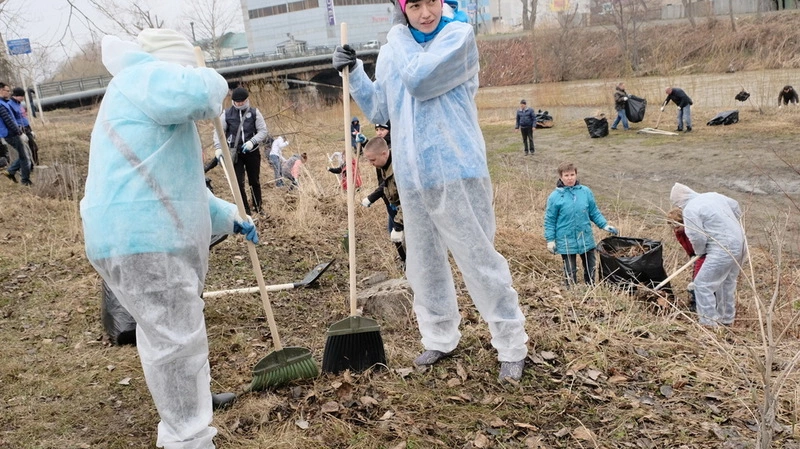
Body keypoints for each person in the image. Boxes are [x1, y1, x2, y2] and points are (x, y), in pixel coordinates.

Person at [332, 0, 529, 383]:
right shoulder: (393, 52)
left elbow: (420, 81)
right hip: (412, 174)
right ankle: (440, 335)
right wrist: (354, 72)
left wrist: (396, 34)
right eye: (415, 5)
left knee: (479, 259)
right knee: (422, 263)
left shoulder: (458, 37)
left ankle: (510, 343)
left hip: (458, 170)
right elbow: (379, 109)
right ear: (403, 7)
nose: (426, 13)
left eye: (432, 2)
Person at [79, 28, 258, 449]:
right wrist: (211, 78)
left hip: (135, 233)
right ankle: (189, 437)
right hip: (144, 237)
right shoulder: (144, 76)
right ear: (174, 66)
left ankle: (190, 406)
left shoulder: (144, 97)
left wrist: (229, 217)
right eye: (186, 70)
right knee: (175, 336)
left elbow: (183, 189)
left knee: (167, 332)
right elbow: (201, 93)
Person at [669, 183, 745, 328]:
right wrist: (731, 225)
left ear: (679, 201)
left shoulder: (690, 209)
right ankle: (726, 321)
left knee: (702, 285)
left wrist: (700, 251)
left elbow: (696, 237)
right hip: (740, 243)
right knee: (726, 284)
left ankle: (709, 325)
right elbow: (735, 206)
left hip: (722, 248)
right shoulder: (713, 196)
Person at [544, 162, 618, 287]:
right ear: (561, 177)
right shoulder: (555, 197)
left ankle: (591, 289)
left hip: (585, 237)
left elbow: (594, 212)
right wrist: (550, 240)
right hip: (566, 239)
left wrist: (604, 225)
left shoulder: (585, 192)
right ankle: (571, 293)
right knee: (570, 270)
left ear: (576, 175)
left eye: (572, 175)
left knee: (591, 267)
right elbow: (550, 220)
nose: (570, 178)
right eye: (566, 175)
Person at [212, 86, 269, 215]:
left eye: (242, 101)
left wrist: (252, 142)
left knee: (254, 180)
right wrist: (218, 147)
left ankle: (258, 207)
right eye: (237, 102)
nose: (239, 104)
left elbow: (263, 131)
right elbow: (218, 132)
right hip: (235, 153)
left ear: (246, 99)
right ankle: (245, 211)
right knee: (238, 182)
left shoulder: (254, 113)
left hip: (252, 152)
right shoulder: (227, 114)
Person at [361, 136, 406, 263]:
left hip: (410, 215)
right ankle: (406, 263)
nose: (371, 164)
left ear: (384, 153)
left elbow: (409, 200)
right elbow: (386, 184)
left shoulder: (400, 168)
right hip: (396, 209)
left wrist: (398, 225)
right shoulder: (384, 164)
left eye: (373, 160)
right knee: (399, 241)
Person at [667, 207, 707, 312]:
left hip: (703, 256)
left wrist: (697, 254)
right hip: (694, 256)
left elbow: (698, 244)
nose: (674, 229)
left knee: (698, 281)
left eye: (676, 225)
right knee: (695, 278)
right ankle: (694, 303)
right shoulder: (678, 232)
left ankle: (699, 306)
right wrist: (691, 255)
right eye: (671, 226)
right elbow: (685, 245)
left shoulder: (692, 231)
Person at [0, 82, 30, 185]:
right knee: (25, 157)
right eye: (7, 91)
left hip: (11, 133)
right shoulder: (1, 105)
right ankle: (25, 181)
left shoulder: (3, 103)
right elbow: (8, 121)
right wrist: (19, 133)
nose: (9, 93)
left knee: (24, 155)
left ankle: (11, 171)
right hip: (11, 134)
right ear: (1, 90)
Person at [9, 87, 39, 167]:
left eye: (23, 96)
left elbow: (24, 118)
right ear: (15, 95)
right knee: (29, 149)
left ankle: (35, 164)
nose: (22, 98)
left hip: (27, 128)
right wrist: (20, 133)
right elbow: (12, 120)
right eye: (21, 96)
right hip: (20, 130)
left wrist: (31, 129)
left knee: (34, 147)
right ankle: (31, 166)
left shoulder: (19, 104)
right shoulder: (10, 105)